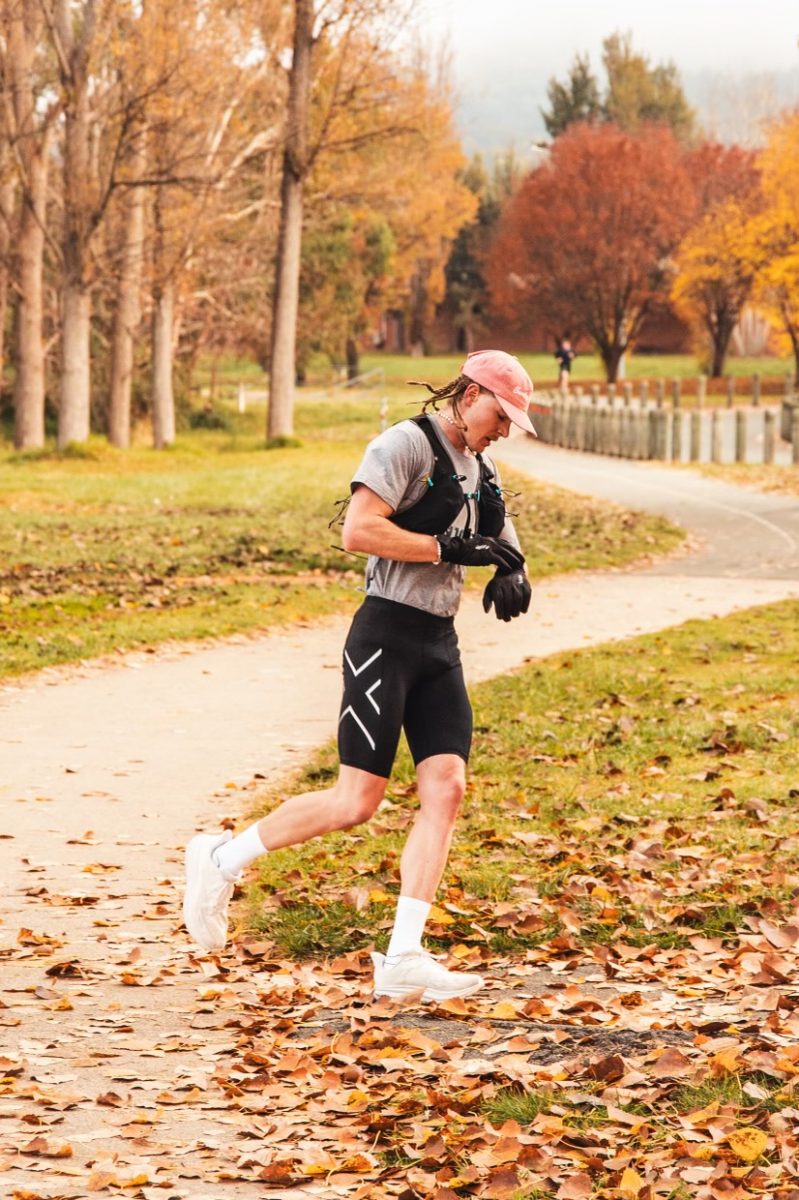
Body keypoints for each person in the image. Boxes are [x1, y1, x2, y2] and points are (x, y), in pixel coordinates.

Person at [182, 349, 537, 1002]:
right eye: (499, 413)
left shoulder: (482, 473)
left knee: (447, 788)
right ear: (467, 395)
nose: (503, 429)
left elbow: (501, 537)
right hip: (384, 637)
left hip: (438, 643)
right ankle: (219, 860)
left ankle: (403, 954)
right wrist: (441, 547)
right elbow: (358, 530)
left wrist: (514, 571)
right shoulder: (404, 445)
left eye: (512, 421)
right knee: (355, 802)